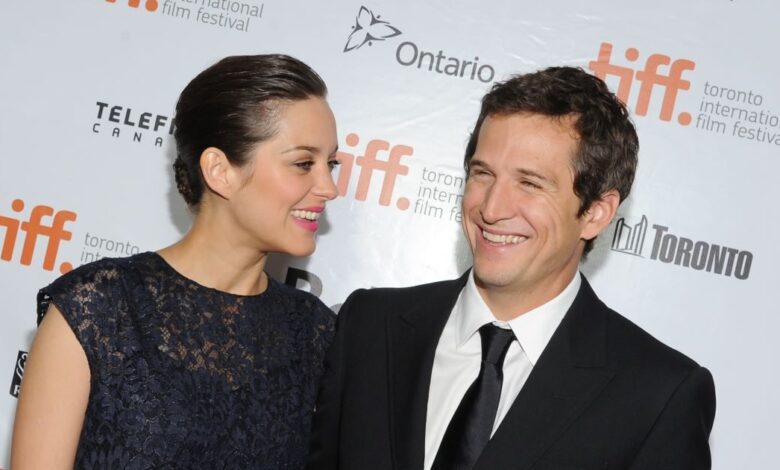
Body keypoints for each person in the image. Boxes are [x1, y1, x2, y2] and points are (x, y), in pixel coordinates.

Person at [307, 66, 716, 470]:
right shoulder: (369, 325)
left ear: (595, 213)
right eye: (482, 174)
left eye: (530, 183)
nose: (491, 208)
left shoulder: (659, 395)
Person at [12, 54, 340, 469]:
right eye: (303, 164)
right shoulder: (98, 309)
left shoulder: (316, 334)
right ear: (219, 171)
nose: (329, 187)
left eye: (330, 165)